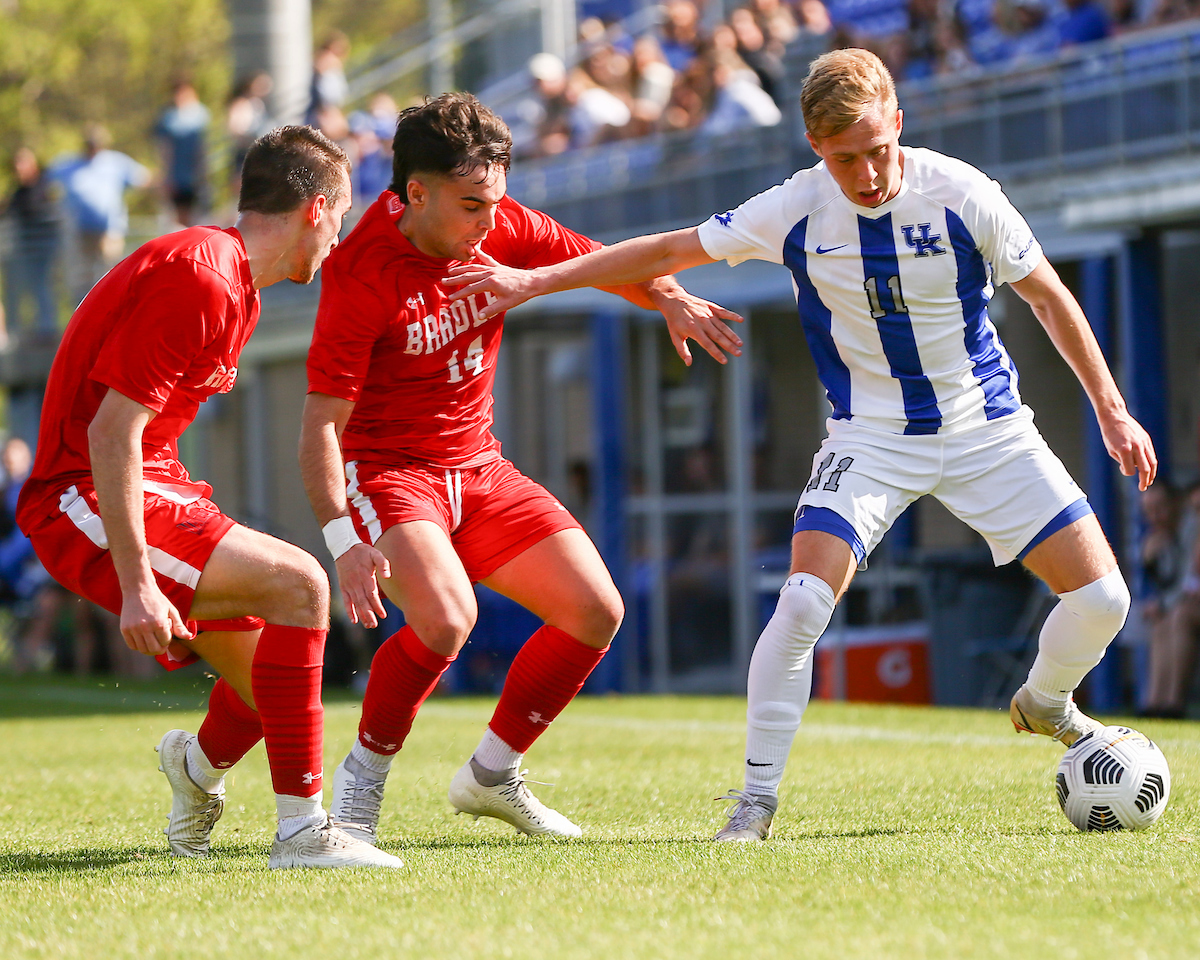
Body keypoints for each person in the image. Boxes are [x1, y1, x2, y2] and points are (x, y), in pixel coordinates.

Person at [442, 49, 1156, 842]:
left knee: (1104, 601)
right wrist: (532, 282)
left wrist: (1112, 410)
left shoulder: (963, 193)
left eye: (877, 150)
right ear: (817, 149)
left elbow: (1050, 299)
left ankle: (1049, 703)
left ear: (899, 124)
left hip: (988, 430)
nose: (867, 173)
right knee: (802, 602)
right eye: (844, 158)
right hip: (870, 440)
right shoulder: (795, 208)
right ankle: (753, 806)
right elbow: (661, 252)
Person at [298, 92, 739, 843]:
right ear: (416, 193)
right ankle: (361, 785)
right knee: (445, 620)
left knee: (596, 611)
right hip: (392, 474)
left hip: (480, 467)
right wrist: (343, 542)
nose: (491, 222)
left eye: (498, 201)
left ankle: (492, 774)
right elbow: (319, 430)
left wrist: (666, 296)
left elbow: (595, 263)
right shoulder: (361, 271)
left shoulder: (499, 223)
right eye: (473, 205)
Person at [15, 126, 398, 869]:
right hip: (82, 495)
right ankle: (301, 835)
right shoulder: (203, 274)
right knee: (301, 583)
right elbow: (110, 435)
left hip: (143, 482)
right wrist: (137, 585)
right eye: (344, 216)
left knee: (273, 690)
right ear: (316, 208)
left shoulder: (232, 283)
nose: (340, 237)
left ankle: (193, 770)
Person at [48, 124, 152, 305]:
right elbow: (46, 182)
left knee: (112, 273)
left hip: (109, 230)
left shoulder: (116, 163)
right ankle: (83, 315)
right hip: (80, 231)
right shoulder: (69, 165)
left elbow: (144, 179)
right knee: (82, 278)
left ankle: (113, 314)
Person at [1, 148, 62, 345]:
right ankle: (19, 330)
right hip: (23, 251)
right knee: (17, 289)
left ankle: (47, 329)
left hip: (43, 249)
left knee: (41, 286)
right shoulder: (19, 191)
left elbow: (48, 213)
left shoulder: (44, 186)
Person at [155, 79, 211, 227]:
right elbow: (165, 149)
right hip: (177, 177)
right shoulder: (168, 118)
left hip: (196, 175)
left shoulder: (200, 115)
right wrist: (166, 176)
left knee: (198, 217)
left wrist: (204, 172)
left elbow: (203, 146)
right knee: (178, 218)